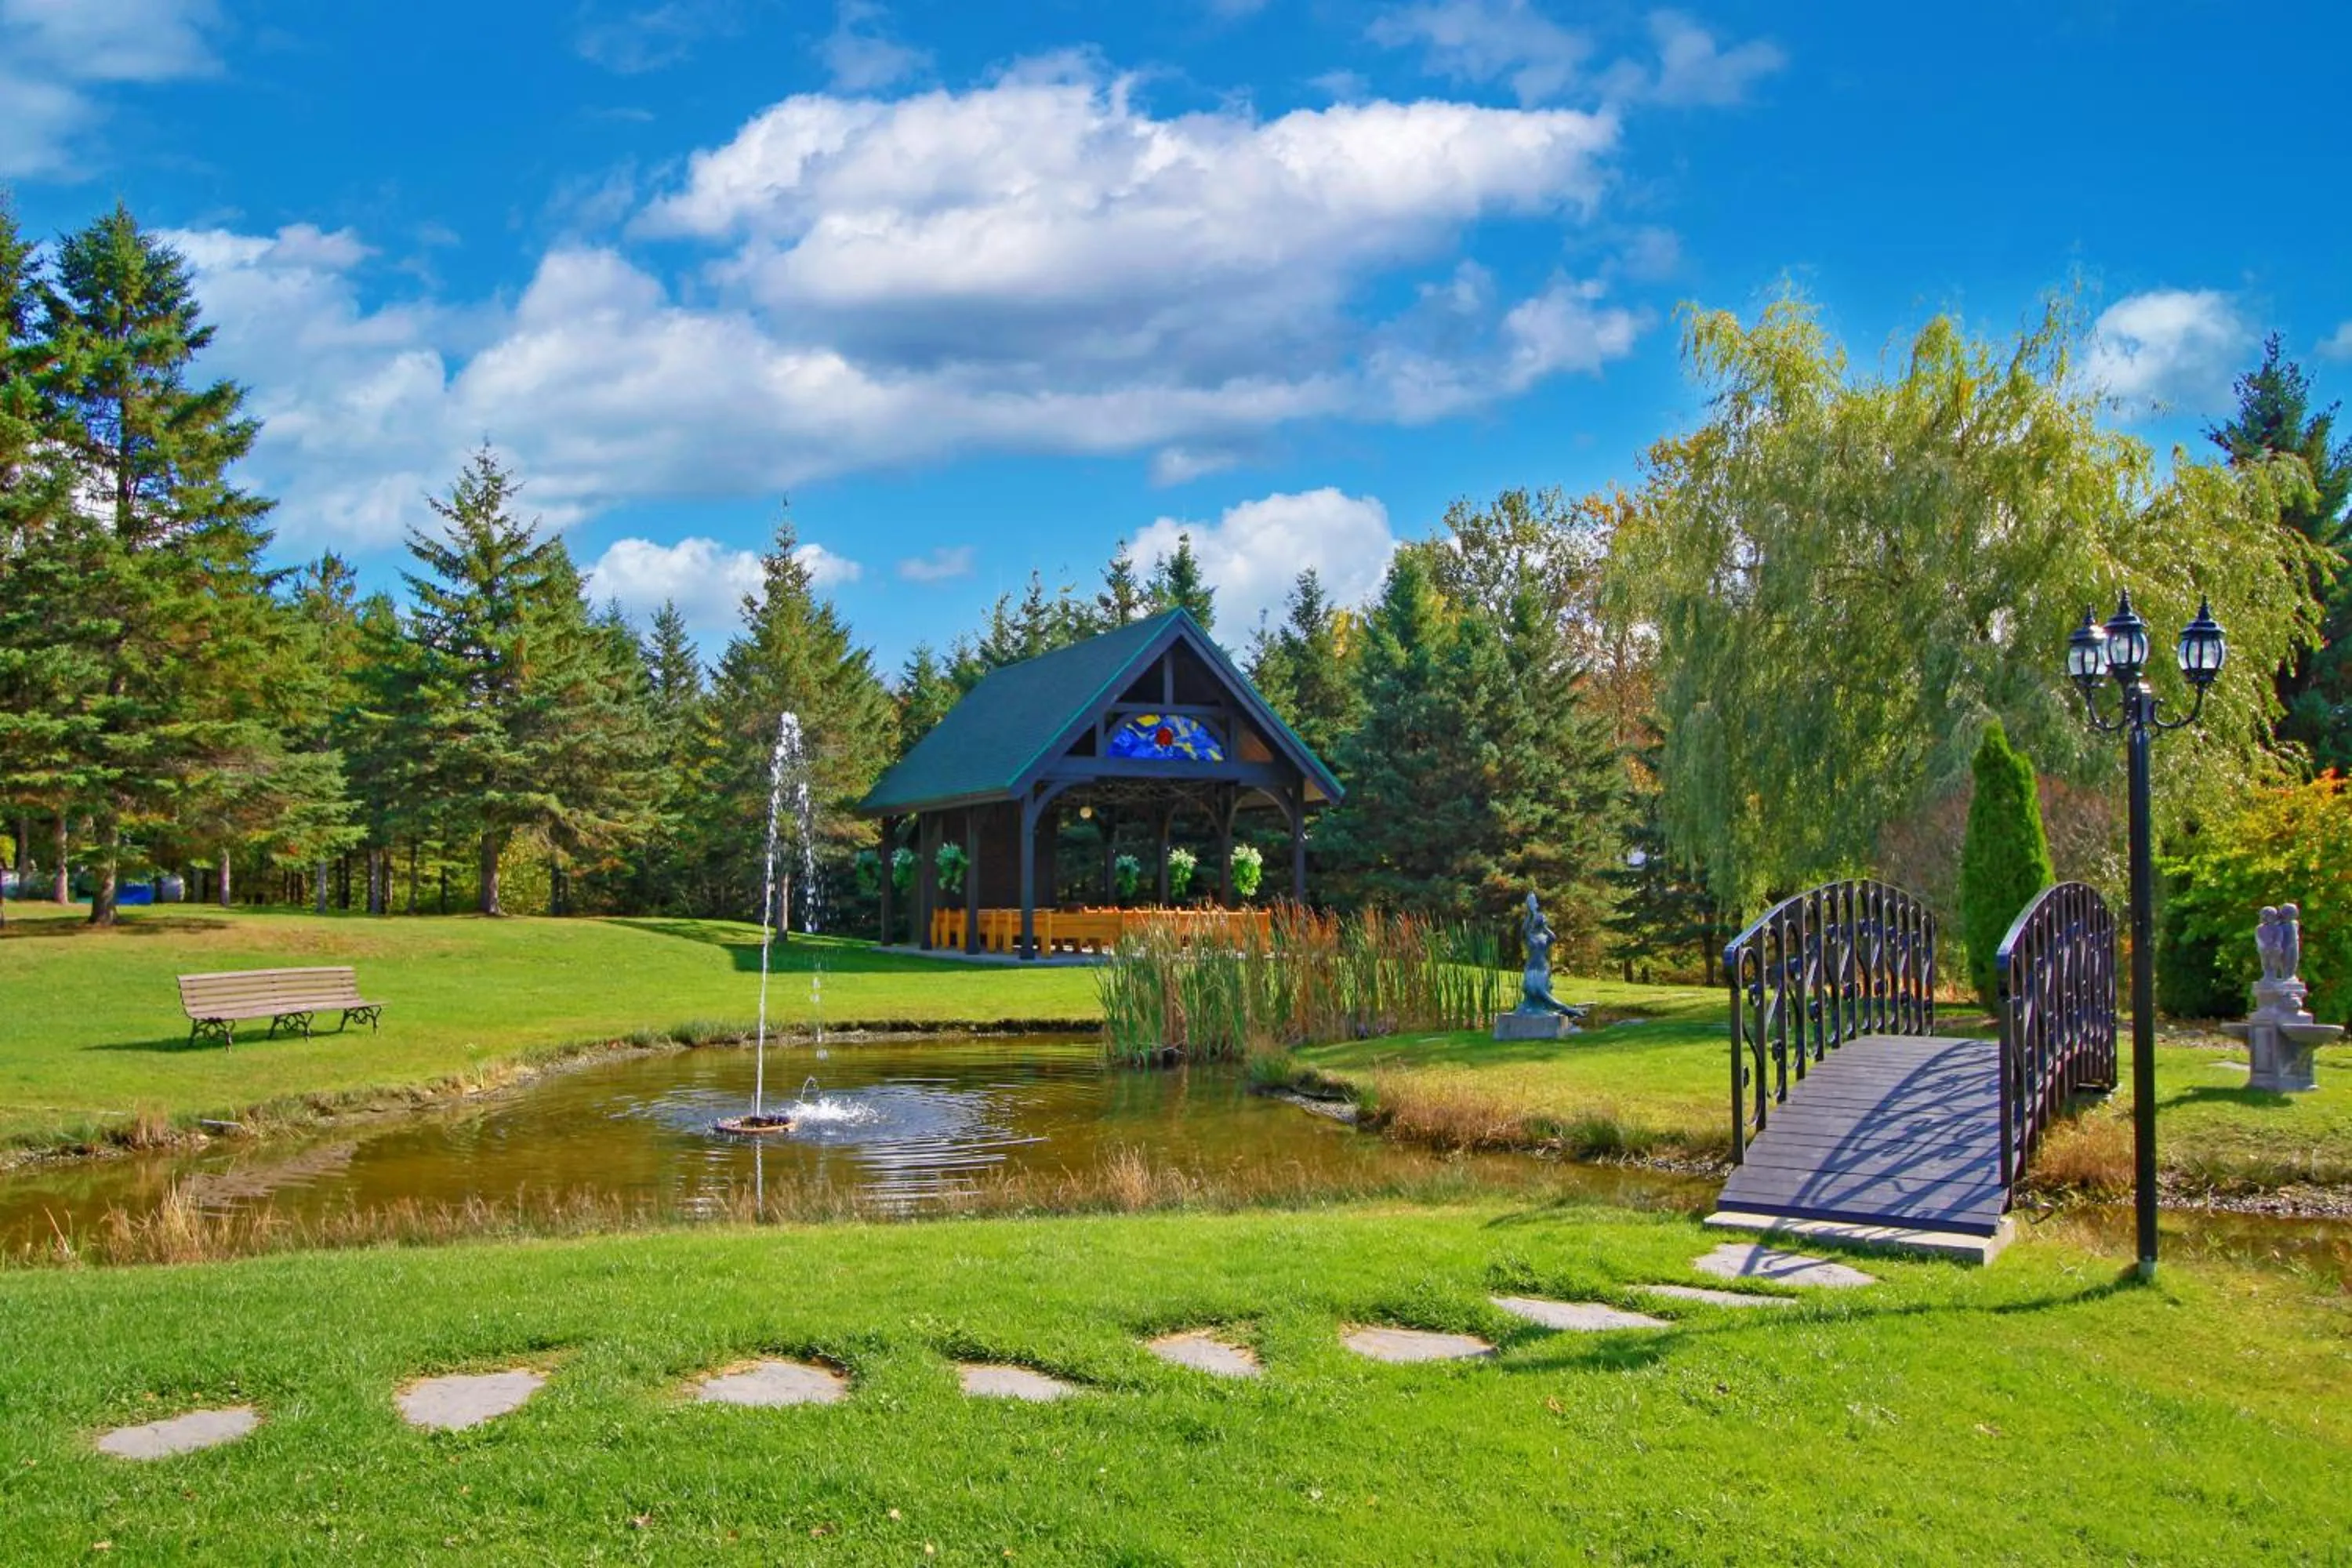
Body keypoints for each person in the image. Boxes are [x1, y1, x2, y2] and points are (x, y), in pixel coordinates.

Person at [1518, 892, 1587, 1018]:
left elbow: (1553, 937)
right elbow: (1524, 930)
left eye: (1543, 919)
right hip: (1531, 967)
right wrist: (1530, 913)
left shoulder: (1545, 937)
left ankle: (1567, 1010)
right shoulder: (1530, 936)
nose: (1542, 919)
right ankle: (1560, 1009)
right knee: (1530, 989)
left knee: (1539, 990)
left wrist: (1544, 928)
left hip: (1542, 967)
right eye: (1541, 919)